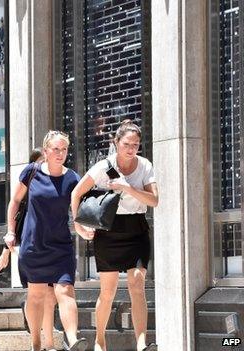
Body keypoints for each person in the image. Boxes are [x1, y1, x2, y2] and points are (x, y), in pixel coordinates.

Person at [71, 120, 159, 351]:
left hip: (137, 229)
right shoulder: (103, 167)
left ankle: (141, 342)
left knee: (137, 285)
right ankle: (100, 339)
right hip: (108, 231)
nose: (131, 149)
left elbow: (154, 200)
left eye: (136, 144)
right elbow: (76, 193)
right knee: (108, 292)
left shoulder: (145, 166)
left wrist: (128, 188)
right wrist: (78, 226)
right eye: (127, 144)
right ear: (116, 142)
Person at [4, 131, 87, 351]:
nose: (61, 154)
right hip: (34, 245)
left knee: (65, 290)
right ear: (46, 150)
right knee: (37, 295)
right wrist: (11, 232)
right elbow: (14, 202)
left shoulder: (73, 179)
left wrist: (83, 228)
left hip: (61, 246)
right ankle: (36, 343)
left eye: (65, 149)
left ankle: (72, 339)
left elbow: (78, 212)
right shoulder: (31, 172)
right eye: (56, 149)